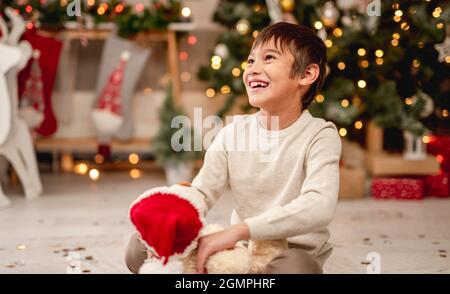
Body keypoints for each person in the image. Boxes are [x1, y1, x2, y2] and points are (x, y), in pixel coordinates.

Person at [125, 22, 341, 274]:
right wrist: (170, 219)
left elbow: (319, 205)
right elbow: (203, 192)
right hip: (240, 250)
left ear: (306, 74)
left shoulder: (320, 135)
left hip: (286, 254)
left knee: (298, 269)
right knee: (138, 248)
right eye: (250, 62)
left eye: (268, 58)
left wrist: (240, 229)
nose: (253, 70)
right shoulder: (232, 133)